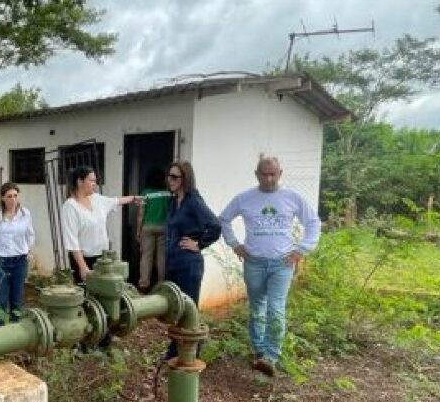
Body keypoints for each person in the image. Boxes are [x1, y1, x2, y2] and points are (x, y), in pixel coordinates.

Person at [218, 156, 321, 375]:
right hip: (254, 263)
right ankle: (259, 352)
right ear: (257, 174)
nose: (269, 178)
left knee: (276, 309)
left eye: (273, 174)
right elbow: (224, 219)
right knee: (257, 309)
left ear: (280, 173)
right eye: (264, 174)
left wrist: (302, 249)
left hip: (282, 263)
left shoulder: (292, 197)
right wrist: (235, 244)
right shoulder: (245, 198)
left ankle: (271, 356)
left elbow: (313, 222)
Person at [162, 160, 221, 359]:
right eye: (169, 176)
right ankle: (175, 348)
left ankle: (192, 352)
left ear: (185, 179)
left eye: (175, 177)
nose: (170, 180)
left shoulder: (193, 200)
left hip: (189, 264)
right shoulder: (173, 201)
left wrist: (198, 244)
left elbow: (214, 226)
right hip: (174, 262)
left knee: (189, 309)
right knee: (177, 306)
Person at [60, 166, 139, 284]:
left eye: (95, 181)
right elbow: (72, 241)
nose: (95, 184)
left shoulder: (96, 199)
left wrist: (133, 198)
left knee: (104, 294)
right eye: (91, 180)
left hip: (103, 259)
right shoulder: (70, 206)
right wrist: (83, 267)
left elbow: (115, 201)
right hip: (84, 260)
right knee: (88, 297)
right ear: (80, 181)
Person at [0, 182, 36, 325]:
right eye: (9, 196)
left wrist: (30, 251)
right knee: (1, 298)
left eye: (15, 196)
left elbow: (30, 235)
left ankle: (15, 331)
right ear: (2, 198)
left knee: (17, 298)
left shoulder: (25, 213)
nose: (13, 200)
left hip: (19, 261)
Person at [135, 167, 170, 292]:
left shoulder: (146, 193)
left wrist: (138, 231)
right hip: (163, 227)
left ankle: (144, 284)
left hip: (148, 227)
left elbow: (140, 214)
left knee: (146, 256)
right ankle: (162, 284)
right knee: (162, 257)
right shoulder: (168, 193)